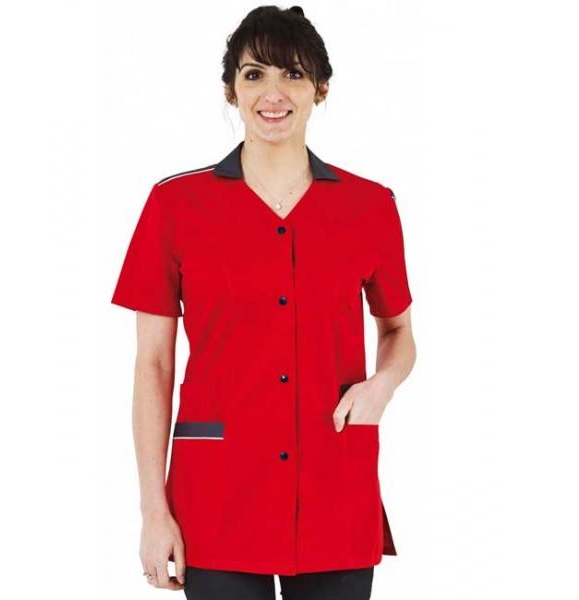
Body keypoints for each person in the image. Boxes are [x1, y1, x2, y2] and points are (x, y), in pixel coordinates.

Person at [110, 5, 416, 599]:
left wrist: (381, 386)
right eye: (254, 74)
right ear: (231, 90)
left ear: (321, 88)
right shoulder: (175, 206)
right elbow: (153, 364)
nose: (273, 94)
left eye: (293, 74)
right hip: (216, 496)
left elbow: (399, 332)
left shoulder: (370, 207)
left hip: (334, 488)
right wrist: (153, 511)